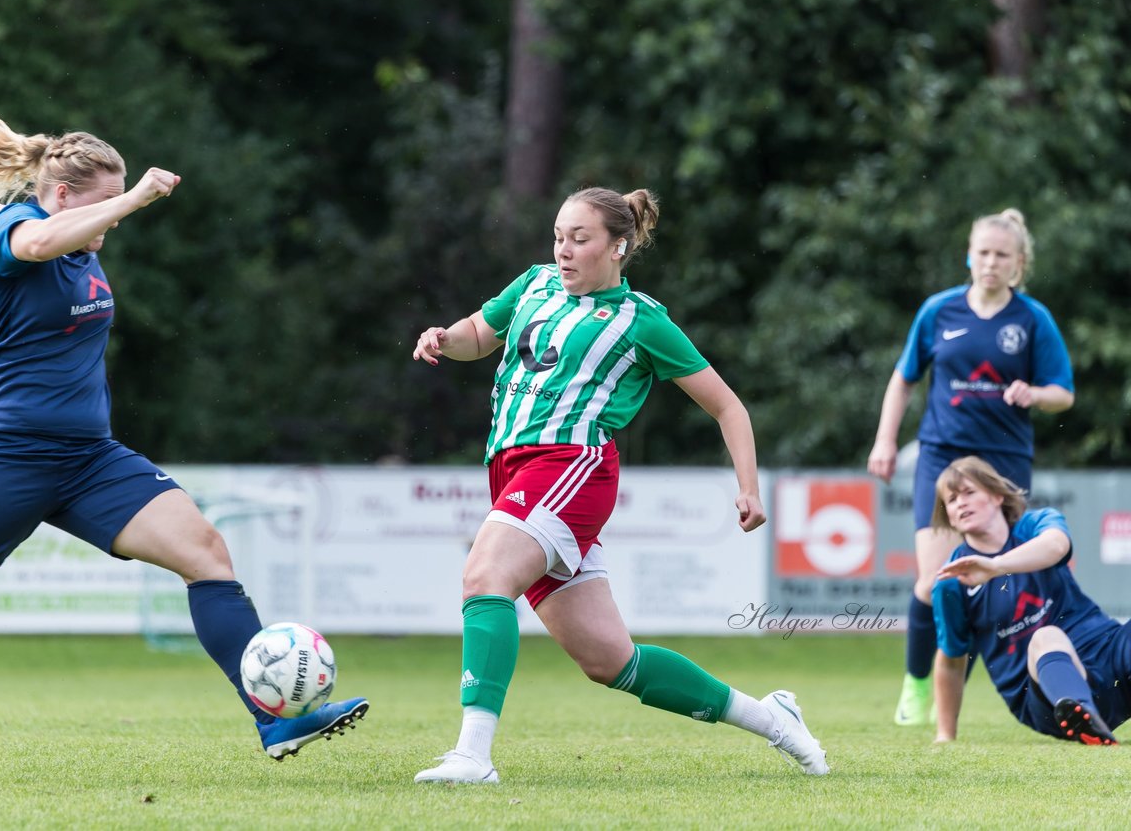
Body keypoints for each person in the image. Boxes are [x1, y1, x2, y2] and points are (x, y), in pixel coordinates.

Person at [0, 104, 367, 760]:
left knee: (205, 552)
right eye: (106, 205)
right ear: (62, 195)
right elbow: (31, 240)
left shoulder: (54, 233)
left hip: (90, 460)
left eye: (120, 203)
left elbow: (31, 230)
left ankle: (274, 721)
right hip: (7, 457)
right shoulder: (25, 229)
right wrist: (135, 198)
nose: (113, 218)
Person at [409, 186, 828, 784]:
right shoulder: (532, 286)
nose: (564, 251)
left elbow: (728, 407)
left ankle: (473, 756)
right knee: (609, 660)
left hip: (571, 465)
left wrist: (749, 488)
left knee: (485, 577)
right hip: (515, 472)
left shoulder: (642, 321)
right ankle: (773, 718)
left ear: (619, 246)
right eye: (558, 237)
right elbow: (480, 334)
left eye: (580, 240)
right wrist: (444, 338)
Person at [866, 208, 1074, 727]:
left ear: (1018, 264)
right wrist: (886, 440)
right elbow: (904, 378)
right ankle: (918, 683)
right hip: (942, 459)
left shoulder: (1032, 320)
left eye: (1002, 255)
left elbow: (1063, 394)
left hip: (1003, 465)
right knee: (936, 582)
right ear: (969, 255)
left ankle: (950, 694)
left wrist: (1036, 393)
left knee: (987, 585)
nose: (990, 262)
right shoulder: (939, 311)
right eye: (982, 252)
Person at [930, 456, 1124, 745]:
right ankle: (1083, 717)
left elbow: (1057, 545)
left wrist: (996, 566)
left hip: (1104, 651)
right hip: (1046, 697)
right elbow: (951, 659)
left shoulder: (1036, 524)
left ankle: (1091, 718)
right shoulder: (952, 581)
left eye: (969, 492)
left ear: (997, 496)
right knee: (1045, 636)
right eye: (952, 499)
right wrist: (945, 736)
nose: (960, 503)